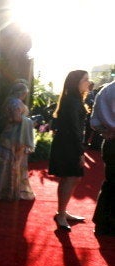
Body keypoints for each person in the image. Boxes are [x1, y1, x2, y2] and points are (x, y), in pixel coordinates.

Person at [48, 70, 91, 231]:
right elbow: (74, 129)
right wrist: (80, 152)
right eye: (86, 79)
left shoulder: (73, 99)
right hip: (69, 145)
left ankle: (62, 211)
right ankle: (60, 214)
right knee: (70, 177)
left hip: (68, 143)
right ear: (76, 82)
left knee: (71, 178)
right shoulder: (72, 101)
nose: (89, 82)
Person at [0, 82, 35, 201]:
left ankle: (1, 191)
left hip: (9, 136)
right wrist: (30, 121)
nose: (25, 95)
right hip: (14, 138)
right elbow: (16, 118)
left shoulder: (9, 101)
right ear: (22, 93)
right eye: (25, 93)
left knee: (6, 164)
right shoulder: (15, 102)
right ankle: (8, 193)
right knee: (11, 165)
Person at [90, 80, 115, 236]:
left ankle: (103, 224)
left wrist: (104, 131)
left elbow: (94, 121)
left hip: (110, 142)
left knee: (111, 182)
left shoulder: (106, 90)